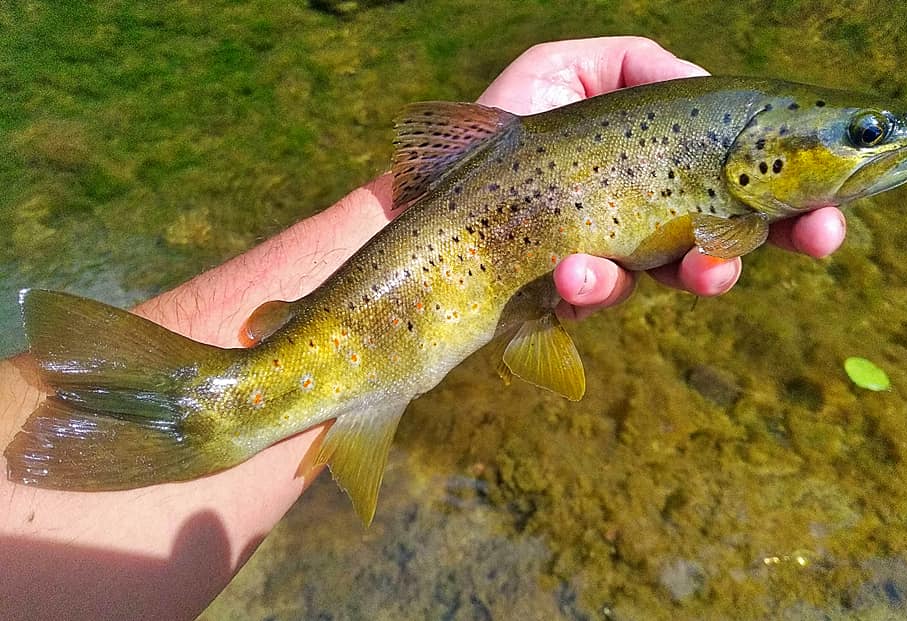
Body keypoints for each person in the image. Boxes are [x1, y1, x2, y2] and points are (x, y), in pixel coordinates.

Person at [0, 36, 846, 620]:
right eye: (860, 137)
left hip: (487, 229)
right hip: (490, 209)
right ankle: (229, 409)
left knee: (525, 301)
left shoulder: (737, 183)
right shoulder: (733, 203)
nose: (876, 148)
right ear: (767, 153)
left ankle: (246, 404)